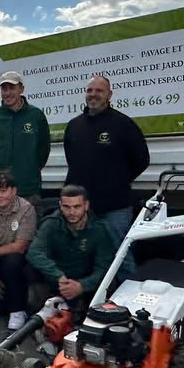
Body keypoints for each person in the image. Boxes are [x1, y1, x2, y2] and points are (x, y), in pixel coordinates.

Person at [63, 76, 149, 273]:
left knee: (120, 257)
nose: (93, 95)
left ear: (109, 95)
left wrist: (116, 180)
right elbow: (73, 160)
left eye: (99, 91)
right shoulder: (74, 125)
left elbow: (141, 160)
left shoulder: (123, 124)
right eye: (90, 90)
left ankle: (128, 301)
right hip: (82, 210)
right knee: (83, 258)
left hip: (115, 208)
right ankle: (92, 301)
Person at [26, 184, 116, 319]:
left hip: (85, 282)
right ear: (60, 205)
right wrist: (58, 276)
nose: (71, 212)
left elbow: (104, 268)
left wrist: (82, 286)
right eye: (66, 207)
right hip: (57, 281)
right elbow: (34, 252)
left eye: (77, 207)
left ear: (86, 205)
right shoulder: (51, 224)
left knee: (111, 283)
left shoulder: (100, 230)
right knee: (28, 269)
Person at [0, 71, 50, 213]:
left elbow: (43, 151)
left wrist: (29, 169)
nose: (8, 93)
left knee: (27, 232)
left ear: (21, 89)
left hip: (27, 189)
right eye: (4, 89)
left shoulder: (36, 116)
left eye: (12, 88)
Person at [0, 170, 38, 331]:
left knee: (12, 261)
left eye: (3, 191)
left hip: (18, 259)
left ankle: (17, 309)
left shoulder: (26, 209)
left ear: (14, 190)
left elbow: (20, 246)